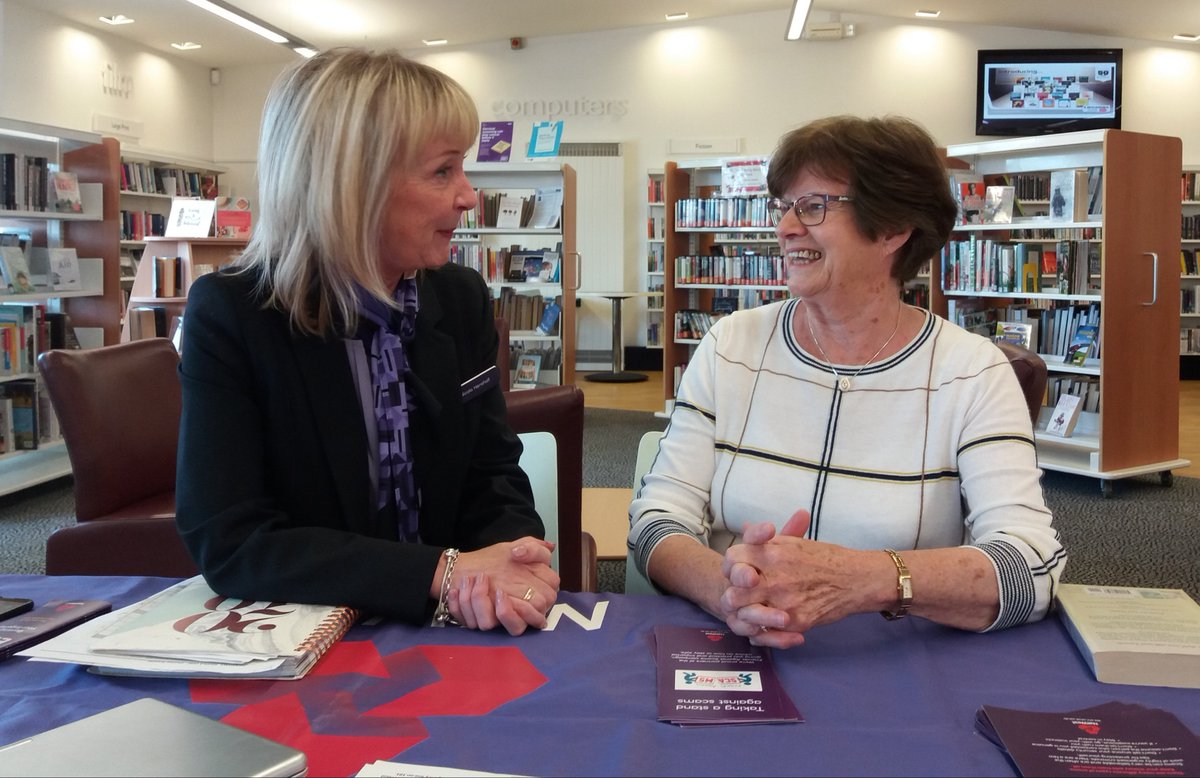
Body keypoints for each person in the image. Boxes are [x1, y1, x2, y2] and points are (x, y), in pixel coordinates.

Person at [628, 115, 1065, 648]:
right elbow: (657, 518)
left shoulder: (973, 372)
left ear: (893, 229)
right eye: (782, 206)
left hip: (896, 661)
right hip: (739, 646)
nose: (785, 227)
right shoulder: (730, 345)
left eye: (813, 206)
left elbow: (1031, 564)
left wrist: (860, 581)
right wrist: (728, 593)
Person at [176, 48, 558, 635]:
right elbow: (232, 541)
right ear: (353, 184)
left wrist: (512, 555)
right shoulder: (234, 315)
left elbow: (491, 470)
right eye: (443, 171)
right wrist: (443, 572)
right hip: (309, 635)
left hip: (457, 628)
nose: (467, 195)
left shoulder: (459, 299)